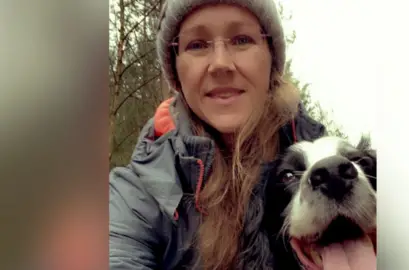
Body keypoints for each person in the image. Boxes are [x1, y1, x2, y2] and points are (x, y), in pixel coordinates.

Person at [109, 0, 325, 269]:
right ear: (176, 71)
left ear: (271, 57)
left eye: (242, 39)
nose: (221, 64)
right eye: (197, 45)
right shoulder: (135, 196)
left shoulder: (336, 172)